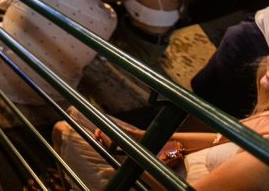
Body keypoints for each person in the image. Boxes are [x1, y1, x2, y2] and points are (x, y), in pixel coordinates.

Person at [56, 55, 269, 190]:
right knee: (78, 114)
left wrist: (131, 154)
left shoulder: (261, 163)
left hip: (157, 181)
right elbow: (217, 140)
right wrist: (139, 137)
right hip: (167, 164)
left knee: (64, 129)